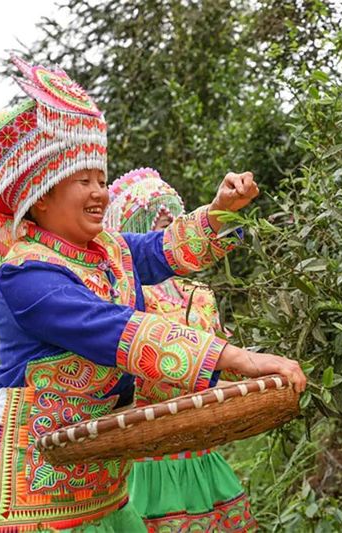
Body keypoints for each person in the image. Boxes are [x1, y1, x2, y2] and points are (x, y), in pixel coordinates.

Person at [0, 57, 305, 532]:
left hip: (101, 475)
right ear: (39, 194)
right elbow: (114, 330)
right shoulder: (27, 272)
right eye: (83, 181)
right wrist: (239, 359)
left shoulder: (110, 251)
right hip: (28, 480)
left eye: (101, 179)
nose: (100, 193)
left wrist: (222, 211)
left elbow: (168, 249)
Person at [104, 168, 255, 531]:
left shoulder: (200, 296)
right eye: (153, 219)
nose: (167, 224)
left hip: (200, 457)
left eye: (173, 216)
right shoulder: (125, 299)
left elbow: (224, 363)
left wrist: (260, 368)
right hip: (145, 463)